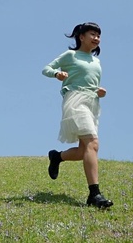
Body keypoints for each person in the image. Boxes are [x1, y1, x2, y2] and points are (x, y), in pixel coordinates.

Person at [42, 22, 113, 208]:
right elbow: (46, 69)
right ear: (81, 36)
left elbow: (91, 82)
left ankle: (57, 157)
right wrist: (57, 74)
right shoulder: (71, 55)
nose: (97, 38)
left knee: (84, 151)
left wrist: (99, 91)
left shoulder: (97, 62)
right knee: (93, 143)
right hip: (75, 100)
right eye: (93, 34)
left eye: (99, 35)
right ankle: (94, 194)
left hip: (92, 103)